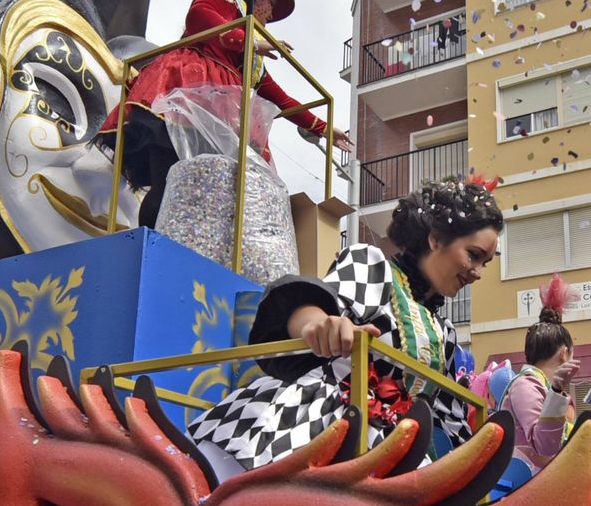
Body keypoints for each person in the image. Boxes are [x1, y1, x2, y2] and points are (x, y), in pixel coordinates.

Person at [188, 175, 502, 474]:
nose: (477, 272)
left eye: (484, 263)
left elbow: (448, 415)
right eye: (473, 255)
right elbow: (310, 303)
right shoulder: (373, 268)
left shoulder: (444, 334)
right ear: (436, 240)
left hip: (389, 449)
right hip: (318, 420)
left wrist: (479, 455)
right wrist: (318, 325)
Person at [100, 0, 352, 229]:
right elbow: (199, 19)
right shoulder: (222, 0)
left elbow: (280, 98)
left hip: (220, 115)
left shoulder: (250, 59)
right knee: (166, 177)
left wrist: (325, 128)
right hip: (184, 92)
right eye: (270, 4)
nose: (271, 14)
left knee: (206, 193)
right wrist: (248, 40)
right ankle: (148, 243)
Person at [496, 274, 579, 472]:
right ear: (564, 354)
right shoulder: (525, 385)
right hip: (527, 487)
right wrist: (557, 391)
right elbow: (545, 446)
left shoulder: (544, 388)